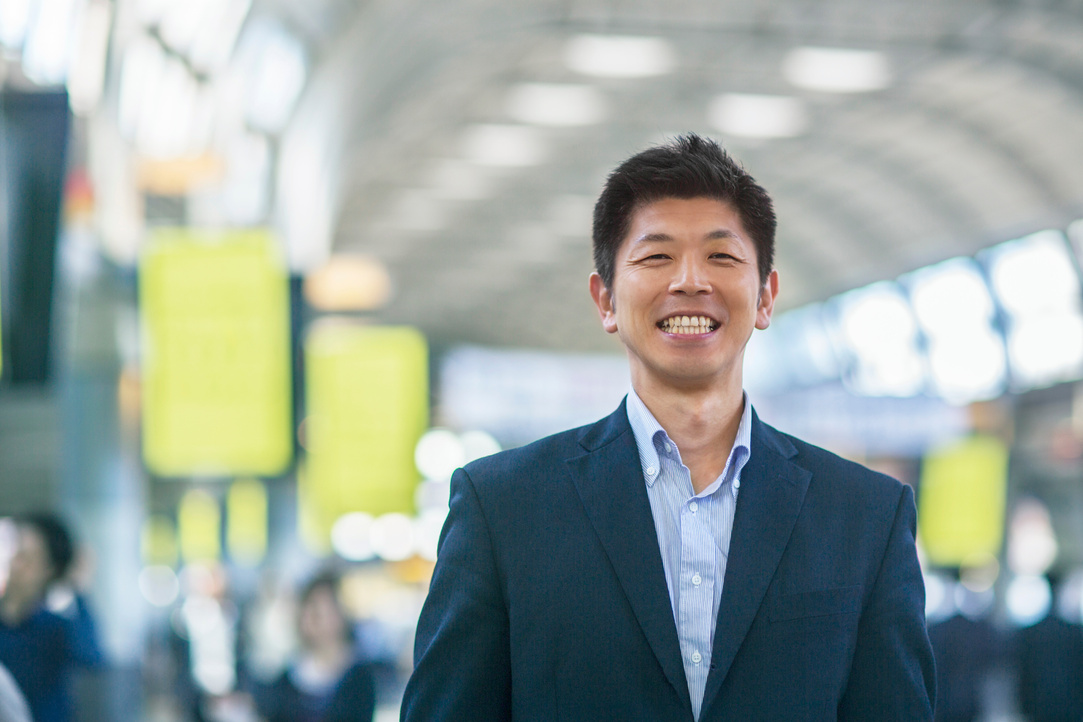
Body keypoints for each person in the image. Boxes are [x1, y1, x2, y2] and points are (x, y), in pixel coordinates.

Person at [401, 134, 936, 721]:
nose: (690, 281)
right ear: (604, 299)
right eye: (656, 256)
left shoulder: (865, 517)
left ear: (765, 297)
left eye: (722, 257)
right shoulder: (502, 507)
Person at [0, 513, 103, 722]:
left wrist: (78, 588)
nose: (16, 564)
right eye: (15, 553)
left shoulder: (55, 628)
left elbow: (92, 657)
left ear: (49, 570)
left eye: (27, 558)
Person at [253, 572, 375, 722]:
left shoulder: (359, 680)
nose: (310, 618)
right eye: (307, 609)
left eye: (318, 612)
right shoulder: (287, 679)